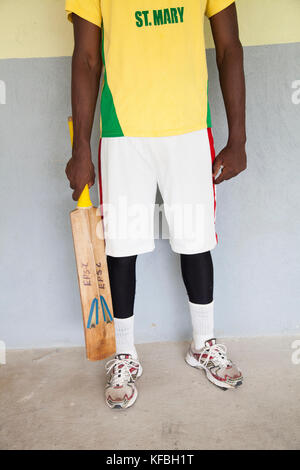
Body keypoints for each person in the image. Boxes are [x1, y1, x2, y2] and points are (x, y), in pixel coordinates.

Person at [65, 0, 247, 409]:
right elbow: (87, 57)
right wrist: (80, 148)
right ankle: (124, 354)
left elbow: (229, 47)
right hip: (122, 131)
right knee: (120, 247)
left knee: (196, 239)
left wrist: (239, 139)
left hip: (188, 130)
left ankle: (203, 344)